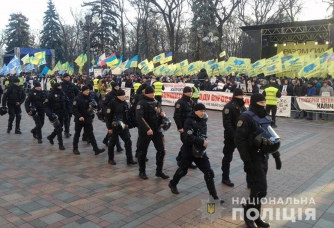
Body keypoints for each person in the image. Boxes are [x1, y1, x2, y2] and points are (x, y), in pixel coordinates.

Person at [235, 93, 282, 228]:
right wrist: (246, 160)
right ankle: (249, 215)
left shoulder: (265, 117)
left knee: (257, 189)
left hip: (263, 156)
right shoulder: (245, 118)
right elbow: (239, 140)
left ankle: (256, 217)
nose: (263, 105)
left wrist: (276, 155)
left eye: (264, 103)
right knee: (261, 188)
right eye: (261, 103)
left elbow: (270, 138)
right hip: (252, 157)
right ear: (254, 103)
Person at [168, 103, 224, 204]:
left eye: (204, 111)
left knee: (208, 172)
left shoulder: (203, 121)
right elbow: (188, 138)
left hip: (200, 151)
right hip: (188, 151)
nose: (203, 113)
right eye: (201, 111)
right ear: (195, 111)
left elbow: (203, 134)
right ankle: (173, 183)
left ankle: (214, 197)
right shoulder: (189, 121)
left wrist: (203, 141)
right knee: (182, 170)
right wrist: (201, 141)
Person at [136, 86, 169, 180]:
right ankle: (142, 171)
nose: (152, 94)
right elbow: (139, 117)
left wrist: (163, 114)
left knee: (162, 150)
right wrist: (147, 129)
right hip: (146, 131)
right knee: (143, 151)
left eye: (153, 93)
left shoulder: (156, 102)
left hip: (157, 130)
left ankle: (159, 171)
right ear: (145, 93)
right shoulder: (141, 103)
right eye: (150, 93)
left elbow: (160, 112)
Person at [105, 89, 137, 165]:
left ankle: (129, 159)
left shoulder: (125, 103)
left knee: (128, 141)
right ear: (118, 96)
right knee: (112, 143)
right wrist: (109, 128)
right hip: (115, 126)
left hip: (123, 126)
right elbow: (108, 117)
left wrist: (131, 123)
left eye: (124, 95)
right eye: (122, 95)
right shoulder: (112, 103)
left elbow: (127, 114)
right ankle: (111, 159)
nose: (123, 97)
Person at [221, 88, 246, 187]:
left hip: (242, 137)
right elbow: (227, 124)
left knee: (246, 158)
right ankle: (225, 177)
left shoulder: (243, 107)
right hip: (231, 137)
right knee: (227, 157)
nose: (241, 97)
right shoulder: (228, 107)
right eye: (239, 96)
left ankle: (249, 179)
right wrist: (234, 136)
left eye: (242, 95)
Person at [72, 86, 105, 155]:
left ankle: (96, 149)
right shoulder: (77, 99)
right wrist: (79, 116)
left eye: (88, 90)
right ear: (82, 91)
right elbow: (74, 109)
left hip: (87, 119)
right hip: (79, 120)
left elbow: (93, 108)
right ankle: (75, 148)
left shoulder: (90, 98)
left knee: (91, 134)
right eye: (86, 90)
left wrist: (92, 117)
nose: (88, 91)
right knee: (77, 134)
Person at [174, 86, 197, 169]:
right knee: (187, 144)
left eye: (191, 92)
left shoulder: (191, 102)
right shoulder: (180, 103)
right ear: (184, 93)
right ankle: (182, 160)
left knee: (188, 144)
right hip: (184, 127)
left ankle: (185, 160)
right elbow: (176, 116)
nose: (191, 93)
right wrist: (180, 127)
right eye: (189, 92)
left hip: (191, 127)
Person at [44, 83, 69, 150]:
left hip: (62, 113)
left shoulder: (62, 93)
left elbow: (67, 102)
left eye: (60, 86)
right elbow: (46, 106)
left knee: (60, 128)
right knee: (59, 128)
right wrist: (49, 114)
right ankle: (60, 144)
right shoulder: (51, 95)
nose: (60, 87)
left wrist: (68, 110)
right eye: (58, 86)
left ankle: (51, 137)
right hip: (54, 114)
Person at [101, 82, 124, 152]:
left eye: (118, 86)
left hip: (118, 115)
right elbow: (104, 104)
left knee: (114, 129)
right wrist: (105, 113)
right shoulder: (109, 95)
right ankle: (118, 146)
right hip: (111, 115)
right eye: (116, 87)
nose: (117, 88)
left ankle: (105, 140)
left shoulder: (120, 94)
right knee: (115, 130)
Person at [61, 73, 79, 138]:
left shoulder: (72, 85)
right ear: (63, 78)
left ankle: (67, 131)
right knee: (64, 119)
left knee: (68, 118)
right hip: (63, 104)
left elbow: (78, 92)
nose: (67, 78)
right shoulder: (61, 85)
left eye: (68, 77)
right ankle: (62, 130)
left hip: (70, 104)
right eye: (66, 77)